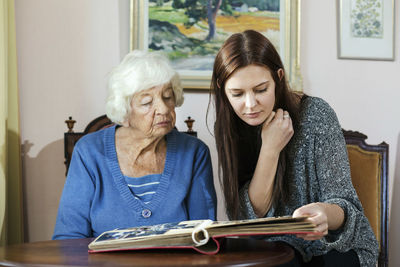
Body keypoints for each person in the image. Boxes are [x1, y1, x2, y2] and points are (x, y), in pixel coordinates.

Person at [210, 30, 378, 266]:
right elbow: (247, 218)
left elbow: (346, 207)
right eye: (237, 93)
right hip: (273, 249)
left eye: (260, 90)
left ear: (279, 77)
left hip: (333, 246)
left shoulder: (317, 115)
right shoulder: (228, 127)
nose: (250, 104)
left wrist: (323, 214)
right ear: (222, 88)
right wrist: (270, 149)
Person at [53, 50, 217, 239]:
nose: (163, 109)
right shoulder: (89, 152)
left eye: (167, 96)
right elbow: (69, 238)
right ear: (124, 112)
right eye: (147, 102)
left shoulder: (195, 153)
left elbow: (203, 236)